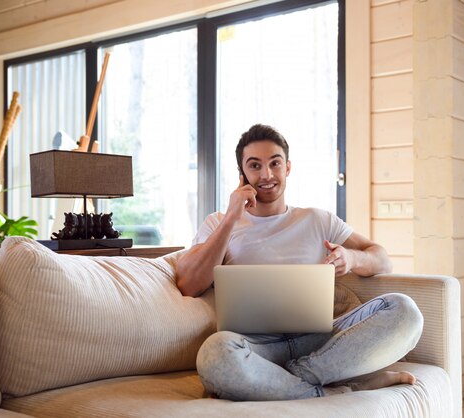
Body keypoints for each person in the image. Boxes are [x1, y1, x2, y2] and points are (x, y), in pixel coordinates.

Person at [176, 124, 423, 401]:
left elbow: (382, 259)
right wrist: (232, 217)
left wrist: (352, 257)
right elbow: (189, 284)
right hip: (257, 348)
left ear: (288, 168)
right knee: (214, 354)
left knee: (404, 310)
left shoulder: (318, 220)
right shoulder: (219, 223)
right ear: (242, 174)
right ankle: (341, 388)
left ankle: (286, 380)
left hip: (321, 341)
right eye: (255, 165)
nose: (267, 175)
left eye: (275, 163)